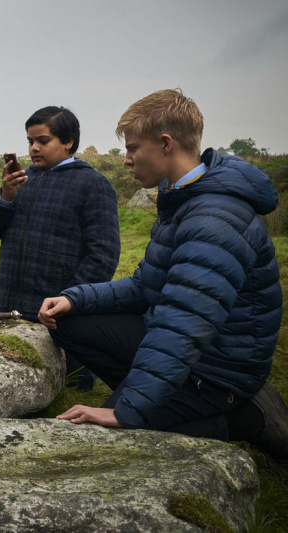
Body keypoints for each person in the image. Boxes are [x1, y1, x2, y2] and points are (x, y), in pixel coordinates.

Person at [38, 89, 287, 462]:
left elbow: (183, 323)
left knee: (108, 445)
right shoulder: (183, 197)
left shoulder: (212, 218)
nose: (126, 160)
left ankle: (246, 418)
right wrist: (75, 298)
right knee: (69, 321)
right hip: (190, 346)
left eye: (133, 148)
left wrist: (126, 411)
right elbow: (145, 286)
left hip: (216, 370)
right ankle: (153, 394)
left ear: (166, 144)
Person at [0, 106, 120, 390]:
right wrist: (5, 195)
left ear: (68, 142)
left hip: (61, 315)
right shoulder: (21, 182)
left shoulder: (93, 185)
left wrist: (72, 299)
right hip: (10, 309)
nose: (33, 149)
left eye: (43, 141)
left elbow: (103, 254)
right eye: (30, 141)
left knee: (72, 385)